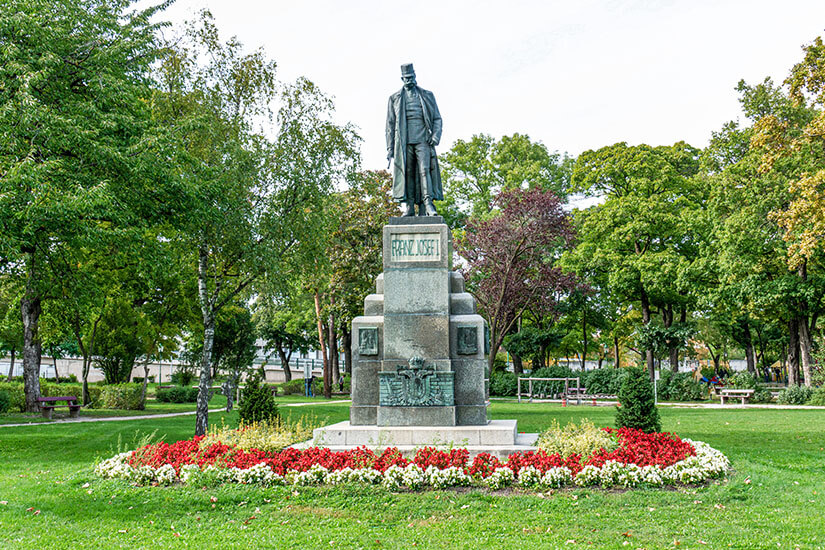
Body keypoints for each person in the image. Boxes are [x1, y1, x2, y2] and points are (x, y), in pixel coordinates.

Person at [386, 63, 443, 216]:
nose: (409, 80)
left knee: (425, 171)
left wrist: (435, 136)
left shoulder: (427, 95)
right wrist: (390, 149)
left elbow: (437, 118)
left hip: (423, 140)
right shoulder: (394, 98)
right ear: (402, 79)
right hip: (404, 143)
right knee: (408, 173)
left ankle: (428, 204)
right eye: (406, 78)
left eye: (411, 77)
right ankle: (409, 207)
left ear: (415, 76)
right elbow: (390, 125)